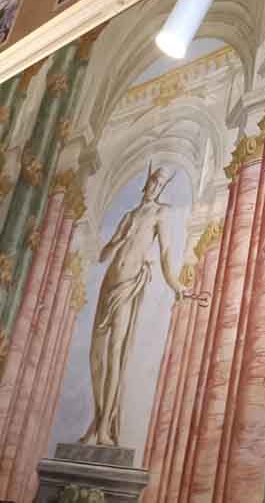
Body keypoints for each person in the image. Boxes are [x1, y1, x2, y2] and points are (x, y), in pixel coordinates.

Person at [80, 163, 184, 446]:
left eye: (161, 184)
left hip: (128, 285)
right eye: (153, 180)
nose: (155, 186)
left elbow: (165, 253)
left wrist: (175, 285)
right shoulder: (128, 216)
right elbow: (104, 256)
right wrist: (120, 240)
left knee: (115, 354)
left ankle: (104, 427)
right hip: (109, 284)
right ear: (146, 181)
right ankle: (97, 418)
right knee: (96, 356)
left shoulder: (161, 213)